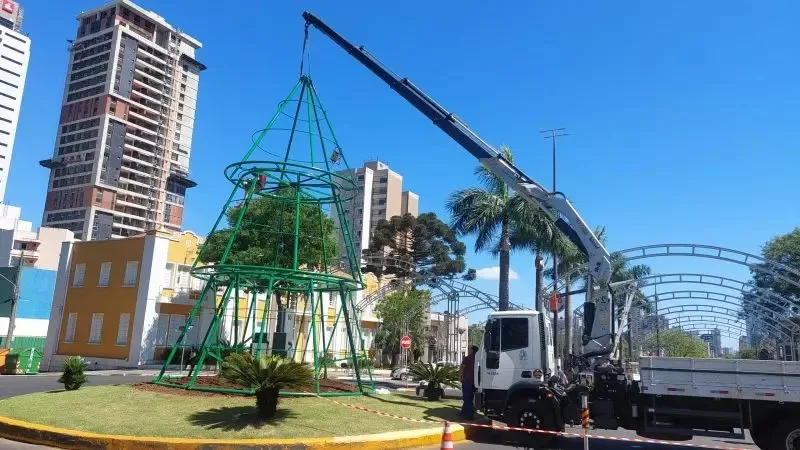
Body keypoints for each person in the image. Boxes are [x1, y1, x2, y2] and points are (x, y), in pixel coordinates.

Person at [459, 345, 479, 420]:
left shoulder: (468, 358)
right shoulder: (479, 358)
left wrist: (460, 377)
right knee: (469, 398)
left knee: (467, 398)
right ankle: (463, 412)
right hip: (477, 382)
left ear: (471, 350)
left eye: (469, 349)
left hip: (468, 380)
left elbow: (462, 367)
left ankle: (468, 415)